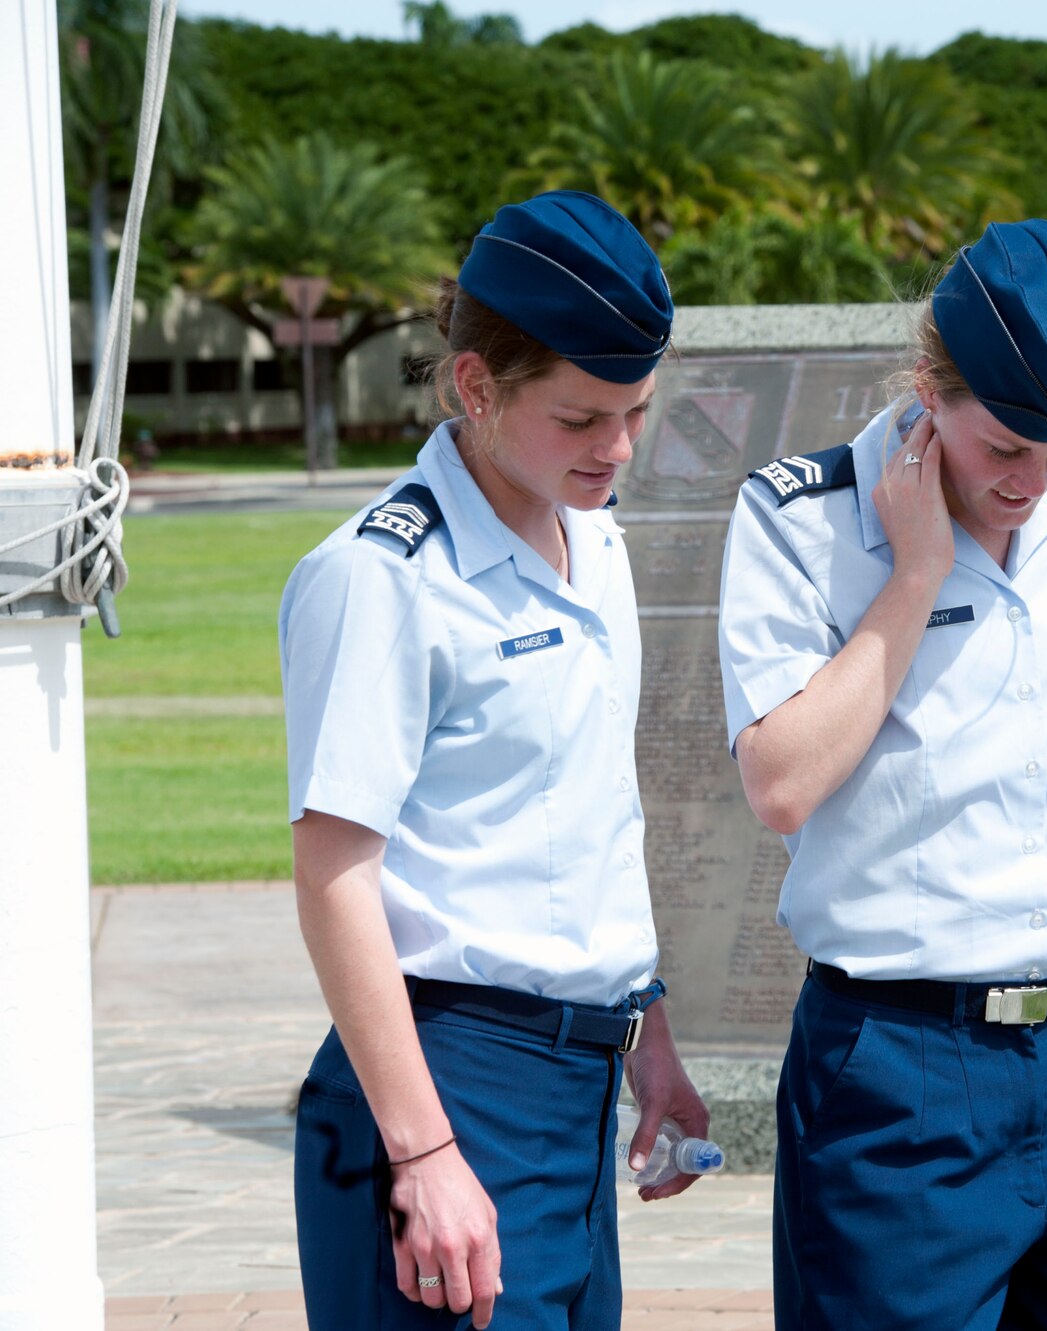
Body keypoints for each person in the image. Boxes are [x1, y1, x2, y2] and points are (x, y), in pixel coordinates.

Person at [716, 218, 1047, 1330]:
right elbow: (779, 780)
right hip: (898, 1067)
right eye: (1005, 446)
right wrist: (914, 573)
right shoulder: (800, 519)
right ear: (929, 386)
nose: (1033, 482)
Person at [281, 190, 708, 1330]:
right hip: (446, 1080)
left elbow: (589, 817)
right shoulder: (380, 578)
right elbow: (333, 874)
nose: (615, 449)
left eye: (636, 412)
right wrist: (422, 1151)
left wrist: (646, 1034)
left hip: (575, 1089)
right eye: (580, 419)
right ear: (475, 385)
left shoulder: (596, 544)